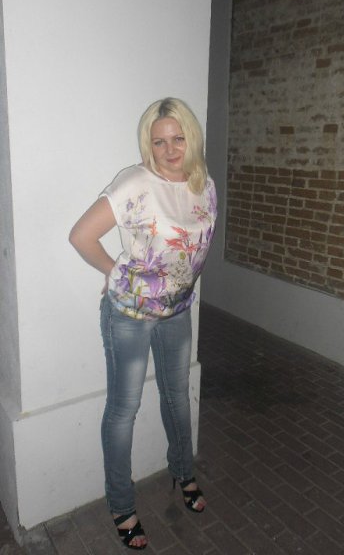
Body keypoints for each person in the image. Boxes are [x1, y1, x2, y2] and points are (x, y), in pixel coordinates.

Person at [69, 97, 217, 550]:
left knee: (177, 398)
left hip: (177, 312)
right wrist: (116, 273)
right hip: (130, 317)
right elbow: (81, 236)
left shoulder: (204, 185)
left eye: (178, 138)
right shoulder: (135, 182)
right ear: (147, 145)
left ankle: (183, 472)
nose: (170, 150)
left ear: (192, 138)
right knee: (124, 410)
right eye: (159, 142)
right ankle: (121, 505)